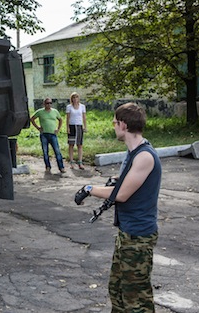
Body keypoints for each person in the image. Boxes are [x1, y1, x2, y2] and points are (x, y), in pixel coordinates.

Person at [74, 102, 161, 312]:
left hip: (139, 236)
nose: (113, 126)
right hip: (128, 233)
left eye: (114, 122)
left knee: (136, 299)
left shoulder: (144, 156)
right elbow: (123, 182)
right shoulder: (133, 152)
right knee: (118, 289)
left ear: (123, 125)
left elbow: (120, 195)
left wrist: (89, 188)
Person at [31, 98, 65, 175]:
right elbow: (32, 119)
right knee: (45, 152)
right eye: (47, 103)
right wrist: (38, 128)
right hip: (44, 134)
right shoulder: (40, 112)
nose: (49, 105)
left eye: (50, 103)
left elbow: (60, 120)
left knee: (57, 151)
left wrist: (58, 129)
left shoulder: (55, 111)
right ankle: (48, 167)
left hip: (53, 134)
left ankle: (61, 167)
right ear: (44, 104)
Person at [66, 92, 87, 170]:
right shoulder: (69, 107)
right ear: (71, 99)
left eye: (76, 97)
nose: (75, 99)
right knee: (71, 144)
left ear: (78, 98)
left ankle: (80, 162)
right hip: (72, 126)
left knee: (79, 144)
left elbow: (84, 117)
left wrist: (85, 126)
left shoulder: (82, 106)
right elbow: (67, 118)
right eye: (73, 98)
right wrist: (67, 127)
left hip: (79, 126)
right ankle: (71, 162)